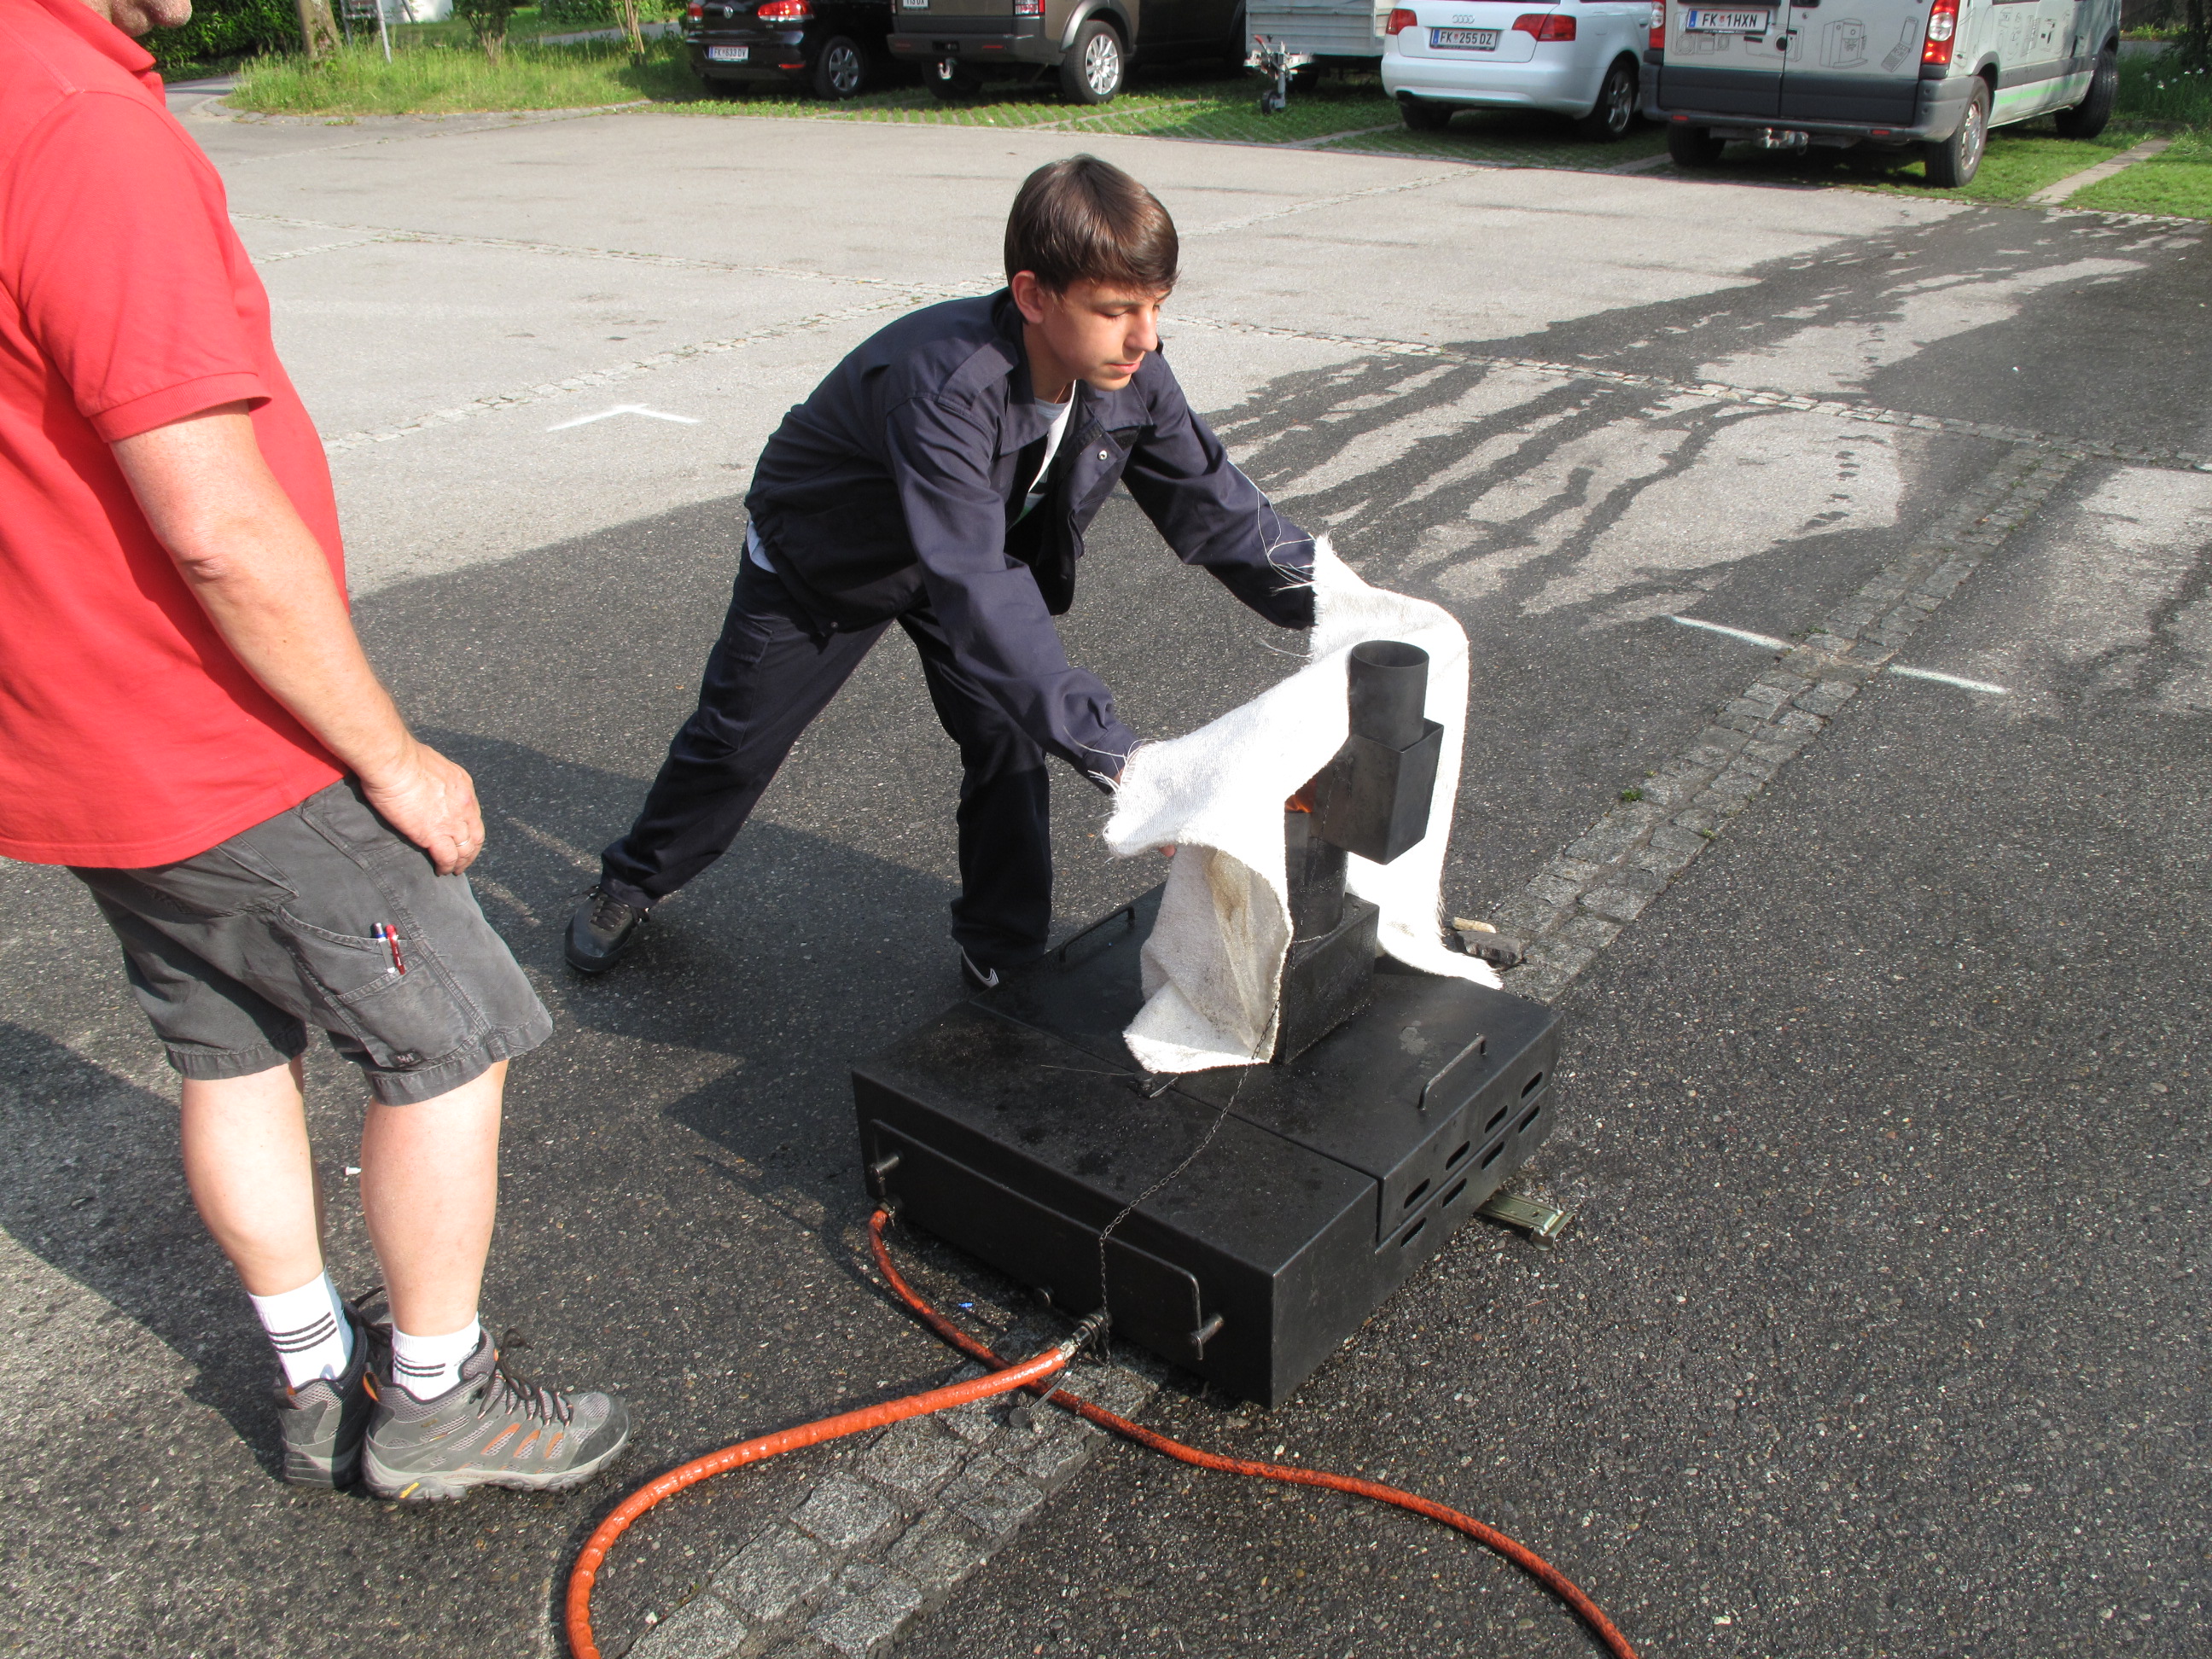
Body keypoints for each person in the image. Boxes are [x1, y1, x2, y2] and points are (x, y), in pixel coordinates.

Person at [0, 0, 629, 1499]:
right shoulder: (85, 131)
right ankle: (438, 1398)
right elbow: (216, 524)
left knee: (225, 1046)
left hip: (72, 730)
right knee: (455, 1033)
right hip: (214, 728)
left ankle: (313, 1376)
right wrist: (394, 756)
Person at [569, 155, 1317, 983]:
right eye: (1116, 311)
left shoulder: (1128, 371)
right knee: (734, 746)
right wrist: (1128, 764)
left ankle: (1001, 951)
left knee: (1007, 734)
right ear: (1033, 296)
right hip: (830, 559)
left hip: (962, 552)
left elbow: (1219, 509)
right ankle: (632, 880)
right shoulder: (945, 388)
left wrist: (1346, 606)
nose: (1145, 336)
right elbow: (982, 592)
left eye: (1156, 306)